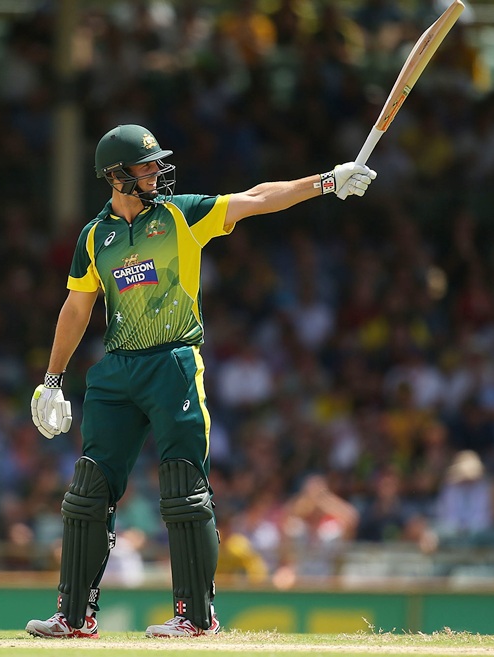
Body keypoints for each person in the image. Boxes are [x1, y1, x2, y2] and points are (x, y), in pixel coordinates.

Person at [25, 124, 376, 639]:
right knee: (87, 491)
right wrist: (52, 378)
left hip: (172, 363)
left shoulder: (179, 214)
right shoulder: (94, 236)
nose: (156, 172)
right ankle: (72, 617)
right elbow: (78, 306)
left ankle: (196, 617)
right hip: (117, 368)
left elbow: (254, 199)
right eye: (145, 166)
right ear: (117, 176)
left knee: (184, 490)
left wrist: (326, 181)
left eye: (154, 164)